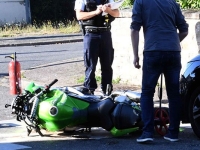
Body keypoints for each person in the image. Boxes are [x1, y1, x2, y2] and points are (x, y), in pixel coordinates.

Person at [130, 0, 188, 143]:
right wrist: (172, 41)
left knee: (147, 93)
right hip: (173, 52)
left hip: (152, 51)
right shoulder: (172, 3)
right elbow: (184, 30)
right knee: (174, 94)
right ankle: (173, 133)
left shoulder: (141, 2)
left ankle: (148, 132)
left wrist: (136, 55)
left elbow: (134, 29)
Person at [74, 0, 119, 95]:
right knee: (90, 65)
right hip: (91, 33)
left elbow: (117, 13)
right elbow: (79, 16)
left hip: (105, 33)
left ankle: (107, 91)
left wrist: (108, 10)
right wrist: (96, 12)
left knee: (107, 65)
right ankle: (89, 90)